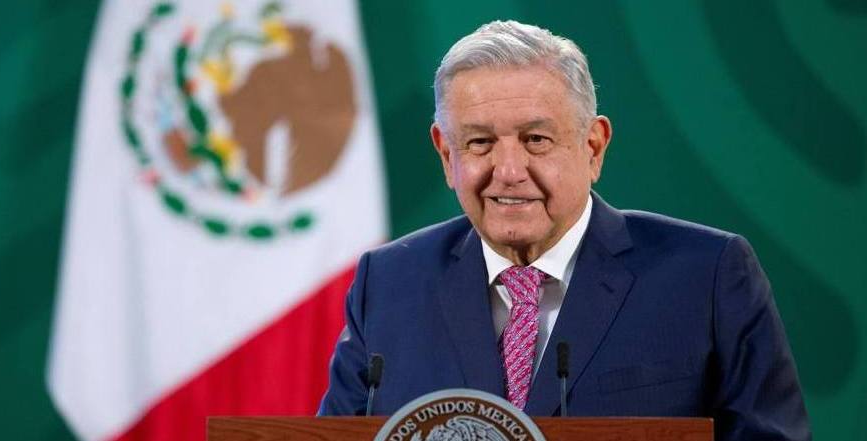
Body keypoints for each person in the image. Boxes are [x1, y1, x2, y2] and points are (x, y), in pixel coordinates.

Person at [319, 20, 810, 440]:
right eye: (480, 143)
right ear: (447, 155)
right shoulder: (390, 283)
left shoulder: (706, 277)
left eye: (536, 139)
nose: (509, 171)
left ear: (593, 147)